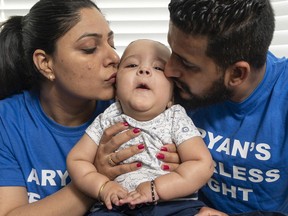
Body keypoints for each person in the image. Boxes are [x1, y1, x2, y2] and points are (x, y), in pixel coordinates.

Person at [0, 0, 150, 215]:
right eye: (90, 49)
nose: (113, 58)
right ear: (45, 63)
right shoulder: (6, 122)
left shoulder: (129, 110)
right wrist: (95, 178)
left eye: (111, 43)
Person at [162, 0, 288, 215]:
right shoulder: (170, 86)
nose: (169, 69)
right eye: (172, 51)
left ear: (237, 74)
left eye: (187, 64)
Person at [67, 39, 214, 215]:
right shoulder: (107, 118)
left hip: (171, 205)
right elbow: (77, 160)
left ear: (171, 97)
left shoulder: (176, 117)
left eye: (158, 68)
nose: (144, 70)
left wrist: (157, 189)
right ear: (116, 86)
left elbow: (202, 164)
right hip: (116, 206)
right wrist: (103, 187)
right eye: (131, 65)